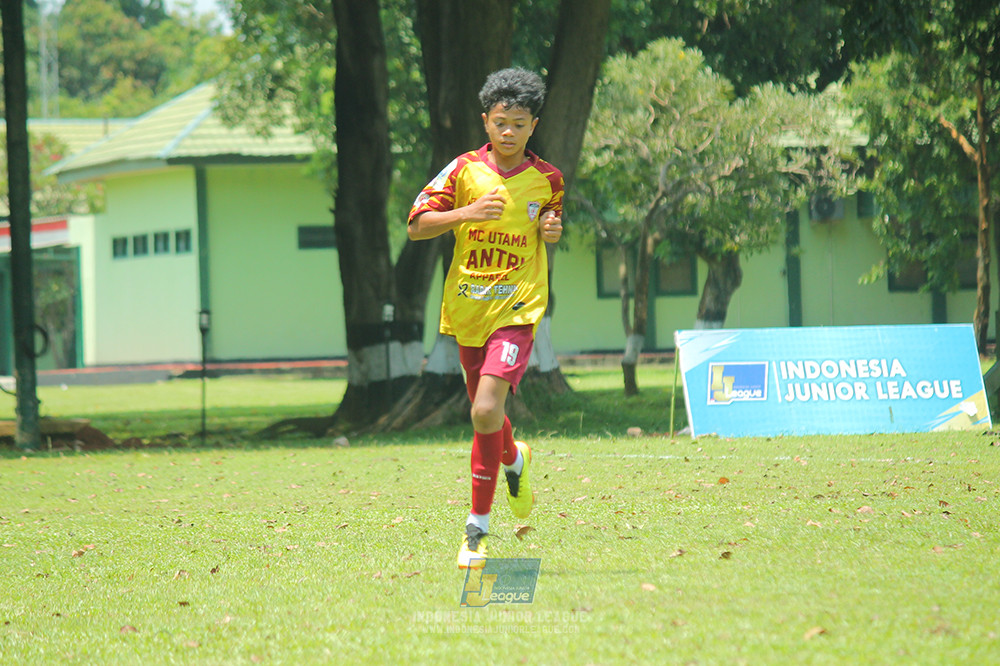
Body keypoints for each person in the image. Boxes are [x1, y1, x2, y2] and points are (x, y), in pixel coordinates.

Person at [407, 67, 564, 569]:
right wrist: (464, 214)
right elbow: (415, 225)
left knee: (482, 412)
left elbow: (549, 225)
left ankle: (476, 530)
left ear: (533, 125)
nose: (509, 132)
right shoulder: (462, 172)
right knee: (487, 413)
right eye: (501, 122)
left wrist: (552, 230)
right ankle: (515, 459)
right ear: (486, 121)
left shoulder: (549, 179)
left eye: (519, 123)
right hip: (466, 307)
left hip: (517, 306)